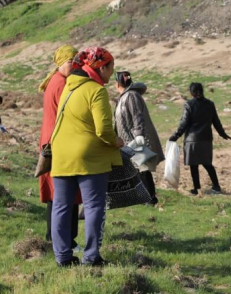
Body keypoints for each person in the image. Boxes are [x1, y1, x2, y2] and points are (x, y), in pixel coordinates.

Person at [50, 47, 124, 267]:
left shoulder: (69, 86)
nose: (112, 72)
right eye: (111, 67)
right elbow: (103, 130)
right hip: (89, 157)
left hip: (62, 154)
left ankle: (62, 257)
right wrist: (117, 142)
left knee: (61, 207)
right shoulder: (96, 91)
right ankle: (91, 257)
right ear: (102, 68)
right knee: (93, 206)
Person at [37, 44, 81, 251]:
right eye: (71, 61)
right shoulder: (62, 84)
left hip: (51, 142)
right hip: (59, 144)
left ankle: (53, 238)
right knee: (65, 194)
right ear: (61, 63)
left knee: (58, 195)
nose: (75, 65)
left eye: (76, 61)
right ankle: (65, 241)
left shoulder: (56, 80)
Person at [169, 82, 231, 195]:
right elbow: (216, 122)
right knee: (207, 163)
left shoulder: (188, 104)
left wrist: (176, 136)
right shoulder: (210, 104)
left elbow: (184, 123)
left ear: (191, 92)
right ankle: (216, 186)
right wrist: (223, 134)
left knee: (194, 165)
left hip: (192, 139)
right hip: (206, 138)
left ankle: (197, 188)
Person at [114, 71, 165, 205]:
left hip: (135, 139)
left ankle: (150, 199)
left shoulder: (131, 96)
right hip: (128, 140)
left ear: (117, 84)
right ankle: (142, 198)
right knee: (136, 170)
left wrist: (139, 136)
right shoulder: (124, 97)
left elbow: (137, 116)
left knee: (142, 169)